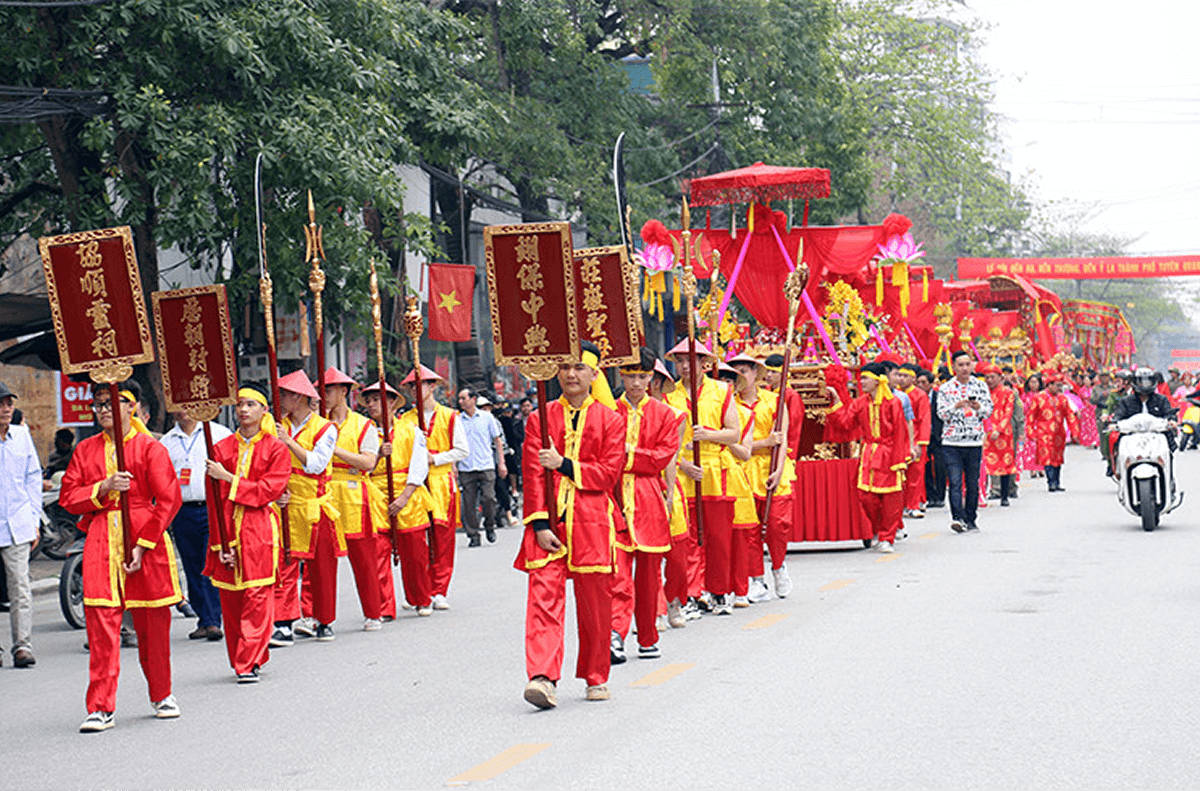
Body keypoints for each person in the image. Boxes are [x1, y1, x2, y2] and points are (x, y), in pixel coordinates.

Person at [60, 381, 183, 732]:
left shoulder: (149, 448)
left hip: (145, 536)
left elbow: (169, 499)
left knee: (153, 624)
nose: (103, 410)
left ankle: (162, 694)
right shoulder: (85, 450)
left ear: (133, 406)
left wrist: (143, 545)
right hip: (101, 537)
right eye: (98, 404)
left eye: (112, 402)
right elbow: (68, 496)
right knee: (101, 623)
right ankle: (101, 707)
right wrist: (103, 487)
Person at [519, 342, 624, 709]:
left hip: (591, 520)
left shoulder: (611, 420)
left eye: (579, 367)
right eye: (564, 367)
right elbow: (532, 472)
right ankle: (542, 677)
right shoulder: (540, 417)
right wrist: (540, 523)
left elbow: (608, 474)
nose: (571, 374)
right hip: (550, 522)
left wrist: (563, 464)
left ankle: (596, 675)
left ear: (594, 374)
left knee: (595, 602)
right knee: (543, 598)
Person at [203, 385, 291, 683]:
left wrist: (229, 478)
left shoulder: (276, 448)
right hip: (227, 527)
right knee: (232, 600)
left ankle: (247, 662)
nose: (243, 409)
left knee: (257, 594)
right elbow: (214, 501)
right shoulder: (221, 449)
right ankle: (246, 656)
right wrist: (219, 544)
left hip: (258, 528)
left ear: (264, 410)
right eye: (240, 404)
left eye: (251, 404)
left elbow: (269, 490)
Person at [664, 340, 742, 615]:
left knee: (718, 538)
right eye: (680, 361)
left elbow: (734, 433)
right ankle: (690, 595)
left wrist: (707, 434)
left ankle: (719, 591)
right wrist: (683, 464)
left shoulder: (721, 390)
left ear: (704, 363)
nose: (685, 366)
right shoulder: (668, 395)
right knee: (685, 539)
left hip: (714, 472)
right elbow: (664, 442)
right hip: (681, 471)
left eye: (690, 360)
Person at [611, 347, 679, 662]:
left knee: (649, 574)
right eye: (630, 376)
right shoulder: (609, 411)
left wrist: (626, 454)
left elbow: (661, 458)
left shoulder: (665, 414)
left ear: (651, 376)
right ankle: (616, 633)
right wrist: (635, 456)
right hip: (614, 496)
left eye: (642, 376)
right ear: (621, 375)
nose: (636, 383)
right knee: (617, 572)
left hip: (648, 496)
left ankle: (648, 635)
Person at [271, 369, 338, 646]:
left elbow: (316, 465)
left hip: (314, 506)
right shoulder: (276, 425)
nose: (280, 400)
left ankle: (323, 619)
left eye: (284, 395)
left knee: (321, 567)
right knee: (283, 565)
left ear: (298, 397)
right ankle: (283, 623)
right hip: (285, 505)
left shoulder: (325, 428)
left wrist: (288, 442)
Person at [364, 376, 435, 616]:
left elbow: (419, 465)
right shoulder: (366, 431)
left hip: (407, 492)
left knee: (415, 552)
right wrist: (378, 457)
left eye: (377, 400)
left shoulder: (411, 429)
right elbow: (360, 467)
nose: (372, 405)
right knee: (378, 553)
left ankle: (421, 598)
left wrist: (405, 496)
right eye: (369, 401)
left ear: (392, 402)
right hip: (376, 494)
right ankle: (384, 606)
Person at [321, 367, 385, 631]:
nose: (323, 395)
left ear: (343, 391)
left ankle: (373, 612)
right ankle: (317, 616)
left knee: (364, 558)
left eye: (328, 390)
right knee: (321, 558)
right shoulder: (316, 423)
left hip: (353, 492)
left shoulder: (363, 424)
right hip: (324, 492)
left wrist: (333, 449)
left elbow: (368, 462)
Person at [160, 410, 232, 641]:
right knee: (191, 564)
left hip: (212, 508)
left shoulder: (219, 434)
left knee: (209, 562)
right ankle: (203, 617)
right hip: (182, 510)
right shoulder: (167, 442)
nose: (183, 410)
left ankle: (213, 620)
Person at [399, 366, 467, 610]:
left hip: (440, 482)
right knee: (416, 539)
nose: (414, 390)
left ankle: (439, 589)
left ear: (432, 386)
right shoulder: (405, 420)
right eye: (411, 386)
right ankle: (420, 589)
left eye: (419, 385)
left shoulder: (450, 416)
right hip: (414, 483)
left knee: (442, 538)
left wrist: (435, 458)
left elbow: (462, 450)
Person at [728, 353, 794, 601]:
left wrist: (778, 469)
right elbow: (733, 442)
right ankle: (757, 579)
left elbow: (782, 438)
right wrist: (764, 442)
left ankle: (778, 566)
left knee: (777, 524)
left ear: (756, 373)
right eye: (735, 373)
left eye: (744, 371)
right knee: (748, 529)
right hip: (743, 468)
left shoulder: (775, 401)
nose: (741, 377)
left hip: (773, 467)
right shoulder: (730, 405)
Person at [825, 362, 910, 552]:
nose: (861, 382)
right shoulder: (860, 403)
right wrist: (836, 400)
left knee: (891, 499)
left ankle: (887, 537)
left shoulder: (893, 403)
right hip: (868, 455)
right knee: (867, 498)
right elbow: (845, 423)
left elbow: (900, 432)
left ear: (878, 380)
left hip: (889, 454)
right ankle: (879, 530)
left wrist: (899, 460)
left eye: (865, 378)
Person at [0, 380, 40, 668]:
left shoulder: (22, 436)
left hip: (17, 524)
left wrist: (34, 519)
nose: (6, 409)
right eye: (0, 404)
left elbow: (33, 477)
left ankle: (22, 646)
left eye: (9, 403)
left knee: (20, 588)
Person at [936, 352, 992, 533]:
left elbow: (988, 411)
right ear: (953, 366)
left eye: (967, 364)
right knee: (954, 482)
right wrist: (956, 406)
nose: (964, 368)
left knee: (972, 483)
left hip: (973, 442)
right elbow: (941, 414)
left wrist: (978, 407)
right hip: (951, 442)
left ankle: (971, 518)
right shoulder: (945, 388)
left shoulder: (981, 386)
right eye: (960, 365)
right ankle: (957, 518)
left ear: (972, 365)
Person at [457, 387, 506, 547]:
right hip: (466, 467)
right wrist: (453, 466)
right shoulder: (457, 420)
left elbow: (497, 440)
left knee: (489, 498)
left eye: (463, 398)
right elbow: (452, 443)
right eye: (459, 399)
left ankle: (490, 525)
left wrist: (501, 462)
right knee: (469, 503)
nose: (460, 402)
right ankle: (473, 535)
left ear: (473, 399)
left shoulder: (487, 417)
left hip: (486, 465)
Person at [1027, 373, 1080, 492]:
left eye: (1060, 385)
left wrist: (1075, 432)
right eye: (1057, 385)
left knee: (1057, 458)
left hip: (1059, 433)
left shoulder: (1063, 398)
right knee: (1047, 457)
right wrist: (1030, 432)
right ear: (1049, 385)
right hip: (1043, 433)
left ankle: (1057, 482)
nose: (1059, 388)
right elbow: (1031, 417)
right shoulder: (1039, 397)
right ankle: (1051, 482)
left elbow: (1070, 416)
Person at [979, 362, 1017, 507]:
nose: (989, 380)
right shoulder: (982, 392)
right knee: (984, 464)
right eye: (987, 377)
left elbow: (1008, 412)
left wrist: (999, 429)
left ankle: (1004, 495)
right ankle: (985, 493)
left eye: (992, 377)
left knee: (1004, 464)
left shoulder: (1008, 392)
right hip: (985, 431)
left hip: (1003, 433)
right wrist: (988, 428)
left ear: (1000, 378)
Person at [899, 363, 931, 519]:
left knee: (915, 475)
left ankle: (913, 505)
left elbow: (924, 419)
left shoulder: (920, 395)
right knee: (901, 475)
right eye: (900, 375)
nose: (902, 379)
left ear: (913, 378)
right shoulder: (896, 394)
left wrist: (920, 442)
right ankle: (902, 506)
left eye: (905, 376)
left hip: (916, 439)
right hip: (899, 440)